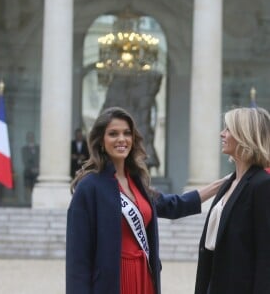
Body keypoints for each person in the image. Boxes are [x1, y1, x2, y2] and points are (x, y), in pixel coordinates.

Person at [66, 106, 227, 294]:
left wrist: (220, 186)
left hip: (144, 276)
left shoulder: (137, 182)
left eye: (127, 133)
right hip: (112, 281)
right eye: (113, 134)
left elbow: (173, 205)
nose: (121, 139)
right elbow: (78, 258)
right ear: (101, 141)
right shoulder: (89, 186)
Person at [194, 107, 270, 294]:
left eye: (228, 129)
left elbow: (266, 256)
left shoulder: (263, 185)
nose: (222, 133)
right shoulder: (229, 183)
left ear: (245, 135)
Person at [21, 131, 39, 200]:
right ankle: (28, 200)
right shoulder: (24, 149)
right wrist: (31, 168)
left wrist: (37, 167)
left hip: (37, 172)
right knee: (28, 187)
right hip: (28, 172)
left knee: (36, 188)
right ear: (27, 138)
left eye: (32, 137)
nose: (31, 138)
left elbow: (40, 158)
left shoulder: (38, 148)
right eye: (29, 137)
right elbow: (25, 160)